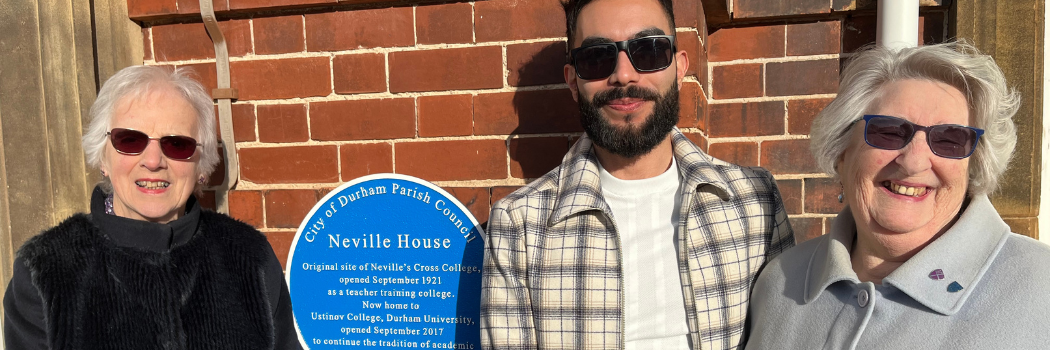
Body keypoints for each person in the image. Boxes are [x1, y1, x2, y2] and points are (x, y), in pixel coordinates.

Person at [480, 0, 795, 348]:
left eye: (649, 50)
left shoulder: (755, 202)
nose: (624, 75)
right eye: (597, 57)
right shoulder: (520, 226)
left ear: (679, 67)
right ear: (573, 81)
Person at [746, 42, 1050, 350]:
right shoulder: (780, 281)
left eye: (950, 139)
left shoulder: (1042, 290)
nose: (914, 161)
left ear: (973, 166)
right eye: (888, 132)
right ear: (842, 152)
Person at [3, 66, 302, 349]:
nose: (153, 161)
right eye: (130, 140)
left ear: (201, 164)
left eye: (177, 144)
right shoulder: (45, 270)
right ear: (103, 157)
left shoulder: (250, 258)